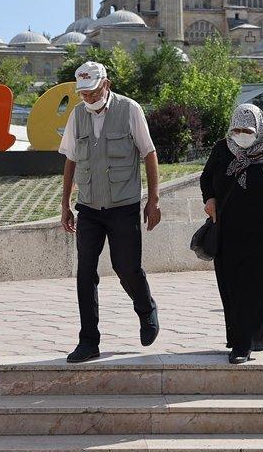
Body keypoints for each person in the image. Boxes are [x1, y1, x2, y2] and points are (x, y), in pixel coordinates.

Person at [58, 61, 161, 364]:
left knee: (126, 268)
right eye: (83, 94)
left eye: (92, 92)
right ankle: (88, 341)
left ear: (107, 84)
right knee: (85, 273)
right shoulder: (77, 116)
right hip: (89, 207)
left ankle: (145, 309)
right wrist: (64, 204)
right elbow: (70, 161)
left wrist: (153, 199)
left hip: (123, 206)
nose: (88, 98)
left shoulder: (129, 110)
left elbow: (149, 153)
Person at [199, 103, 263, 364]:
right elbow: (207, 178)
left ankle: (243, 344)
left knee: (256, 288)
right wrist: (209, 199)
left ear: (260, 128)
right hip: (228, 233)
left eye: (248, 129)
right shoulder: (222, 149)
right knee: (231, 287)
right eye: (237, 129)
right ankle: (244, 335)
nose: (242, 134)